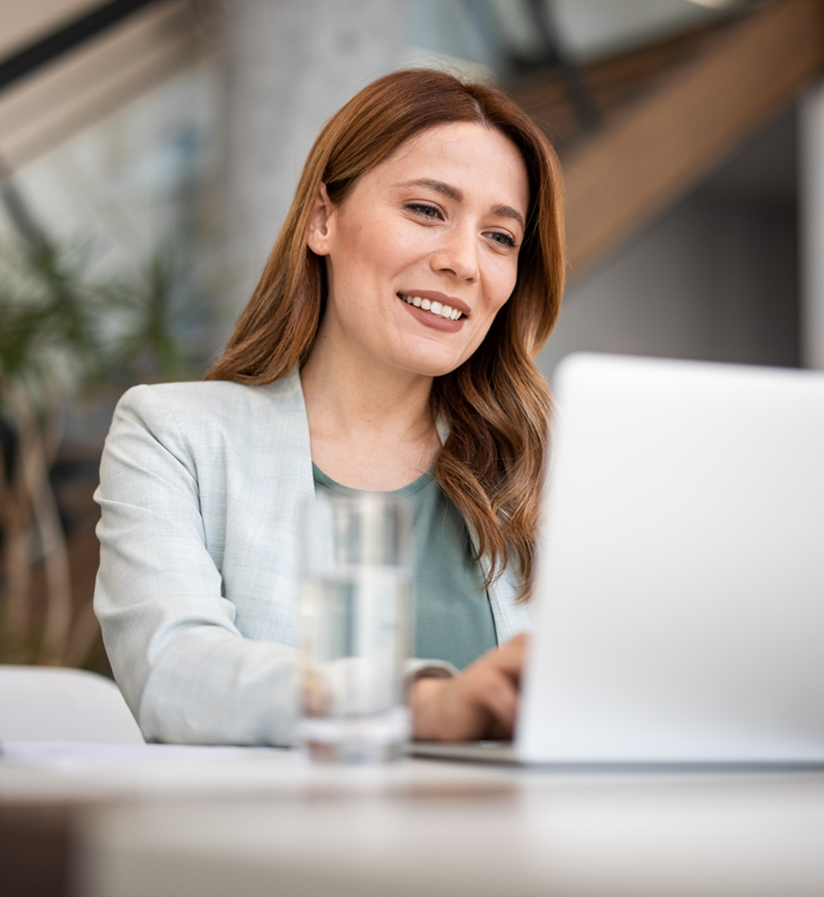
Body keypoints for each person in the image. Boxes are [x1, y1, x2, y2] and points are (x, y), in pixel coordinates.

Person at [94, 68, 565, 745]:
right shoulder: (174, 435)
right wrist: (420, 703)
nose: (464, 261)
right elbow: (174, 670)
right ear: (323, 218)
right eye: (427, 210)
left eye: (500, 237)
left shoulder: (545, 469)